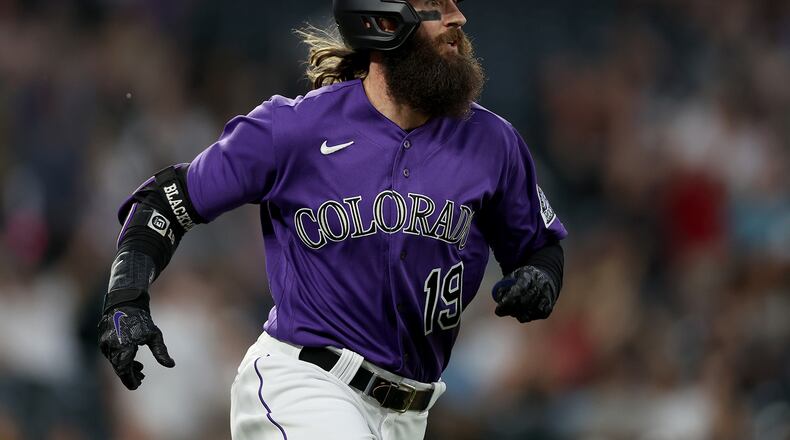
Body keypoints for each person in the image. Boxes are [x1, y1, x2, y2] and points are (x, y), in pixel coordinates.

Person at [97, 0, 568, 438]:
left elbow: (540, 247)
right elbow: (168, 199)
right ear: (384, 19)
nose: (457, 17)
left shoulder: (492, 141)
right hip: (304, 382)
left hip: (409, 414)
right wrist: (126, 295)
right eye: (436, 5)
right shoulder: (296, 129)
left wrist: (540, 279)